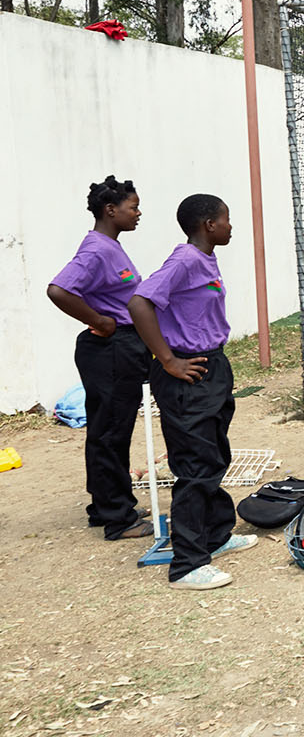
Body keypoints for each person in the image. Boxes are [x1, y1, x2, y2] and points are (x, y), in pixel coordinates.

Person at [127, 194, 257, 590]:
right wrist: (167, 359)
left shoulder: (205, 259)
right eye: (226, 219)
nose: (231, 226)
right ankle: (186, 563)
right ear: (208, 225)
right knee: (195, 465)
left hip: (212, 366)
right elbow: (139, 302)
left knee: (214, 455)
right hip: (187, 372)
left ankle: (216, 536)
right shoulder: (183, 261)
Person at [46, 176, 151, 540]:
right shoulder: (96, 250)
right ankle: (117, 518)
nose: (138, 213)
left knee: (113, 431)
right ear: (111, 210)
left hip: (122, 347)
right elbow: (59, 289)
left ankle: (107, 505)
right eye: (132, 207)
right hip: (109, 349)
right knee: (109, 432)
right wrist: (99, 320)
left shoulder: (110, 246)